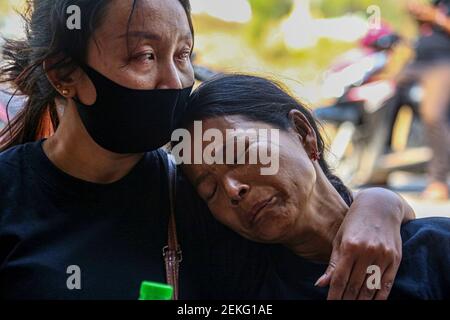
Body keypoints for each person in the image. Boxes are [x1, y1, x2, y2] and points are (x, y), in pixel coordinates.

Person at [0, 0, 414, 300]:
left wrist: (379, 206)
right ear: (64, 75)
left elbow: (313, 234)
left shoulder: (196, 193)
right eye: (144, 56)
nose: (174, 80)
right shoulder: (10, 194)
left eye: (182, 54)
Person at [179, 74, 450, 299]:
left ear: (302, 132)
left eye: (240, 154)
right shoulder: (242, 291)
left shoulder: (436, 250)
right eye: (210, 191)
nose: (231, 189)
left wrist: (381, 201)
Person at [401, 0, 450, 200]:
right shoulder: (436, 3)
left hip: (441, 65)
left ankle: (438, 181)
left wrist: (435, 17)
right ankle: (375, 163)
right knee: (380, 92)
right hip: (417, 63)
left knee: (433, 115)